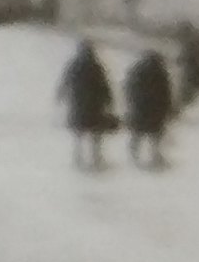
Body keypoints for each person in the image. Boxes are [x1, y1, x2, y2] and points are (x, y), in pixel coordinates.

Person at [60, 39, 118, 170]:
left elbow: (65, 82)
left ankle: (78, 156)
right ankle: (95, 156)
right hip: (94, 104)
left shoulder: (74, 65)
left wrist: (61, 95)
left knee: (79, 132)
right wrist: (109, 100)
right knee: (95, 132)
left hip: (78, 104)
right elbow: (104, 85)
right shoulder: (96, 66)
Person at [122, 42, 177, 168]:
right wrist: (168, 108)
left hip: (139, 108)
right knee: (155, 135)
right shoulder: (160, 73)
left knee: (137, 133)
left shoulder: (136, 71)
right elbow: (166, 92)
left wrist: (130, 104)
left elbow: (128, 89)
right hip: (154, 110)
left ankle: (134, 155)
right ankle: (155, 156)